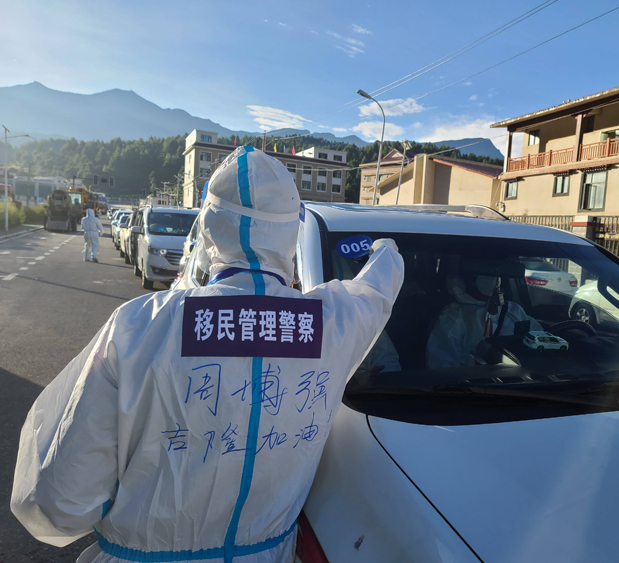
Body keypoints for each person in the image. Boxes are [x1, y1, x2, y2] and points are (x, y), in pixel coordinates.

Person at [11, 146, 404, 563]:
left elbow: (61, 500)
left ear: (208, 229)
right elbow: (375, 292)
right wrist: (386, 251)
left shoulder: (139, 327)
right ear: (291, 234)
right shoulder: (329, 325)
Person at [426, 272, 541, 369]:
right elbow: (442, 367)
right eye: (484, 271)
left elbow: (541, 341)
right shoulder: (452, 317)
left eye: (493, 271)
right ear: (468, 278)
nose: (491, 277)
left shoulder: (513, 310)